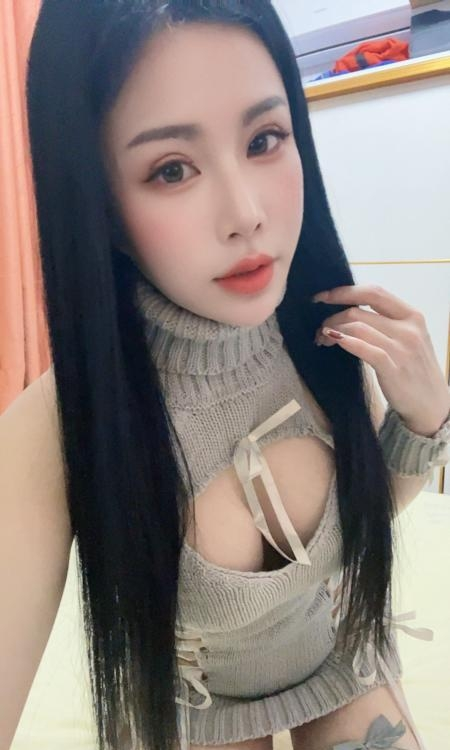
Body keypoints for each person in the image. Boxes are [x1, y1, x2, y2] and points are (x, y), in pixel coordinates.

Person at [1, 2, 449, 750]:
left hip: (339, 658)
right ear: (98, 202)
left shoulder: (323, 331)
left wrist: (425, 422)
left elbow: (369, 510)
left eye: (264, 139)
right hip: (190, 708)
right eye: (172, 169)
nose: (247, 215)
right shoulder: (62, 424)